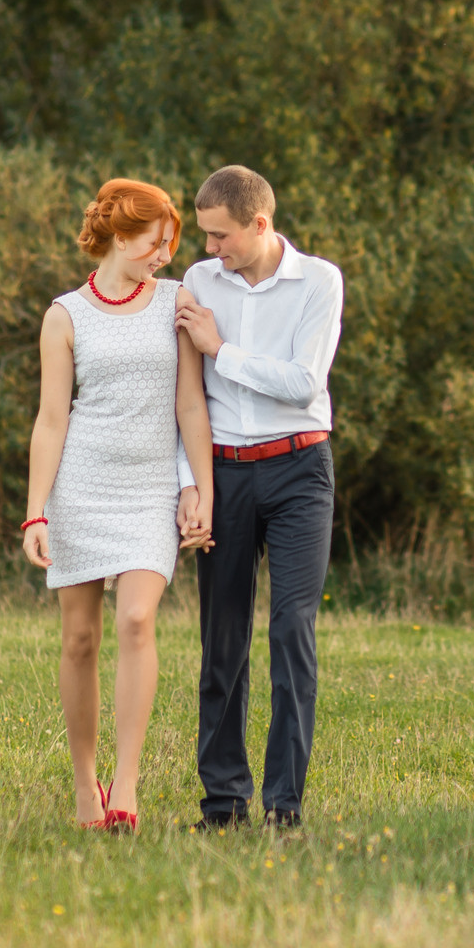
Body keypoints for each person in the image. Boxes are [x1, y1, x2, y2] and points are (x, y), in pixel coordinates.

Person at [22, 179, 217, 832]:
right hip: (81, 487)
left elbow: (191, 403)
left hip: (149, 490)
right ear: (115, 233)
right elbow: (51, 419)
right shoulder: (65, 314)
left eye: (171, 243)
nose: (166, 254)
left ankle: (127, 784)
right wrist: (36, 511)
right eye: (154, 242)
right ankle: (86, 784)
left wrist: (200, 486)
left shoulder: (175, 302)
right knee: (80, 639)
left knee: (137, 619)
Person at [174, 165, 344, 831]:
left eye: (221, 236)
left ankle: (285, 805)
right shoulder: (197, 280)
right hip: (225, 472)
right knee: (222, 642)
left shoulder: (319, 281)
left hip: (300, 468)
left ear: (259, 225)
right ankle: (222, 805)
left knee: (290, 630)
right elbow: (186, 394)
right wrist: (193, 483)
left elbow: (305, 383)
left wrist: (223, 348)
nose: (211, 248)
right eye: (206, 235)